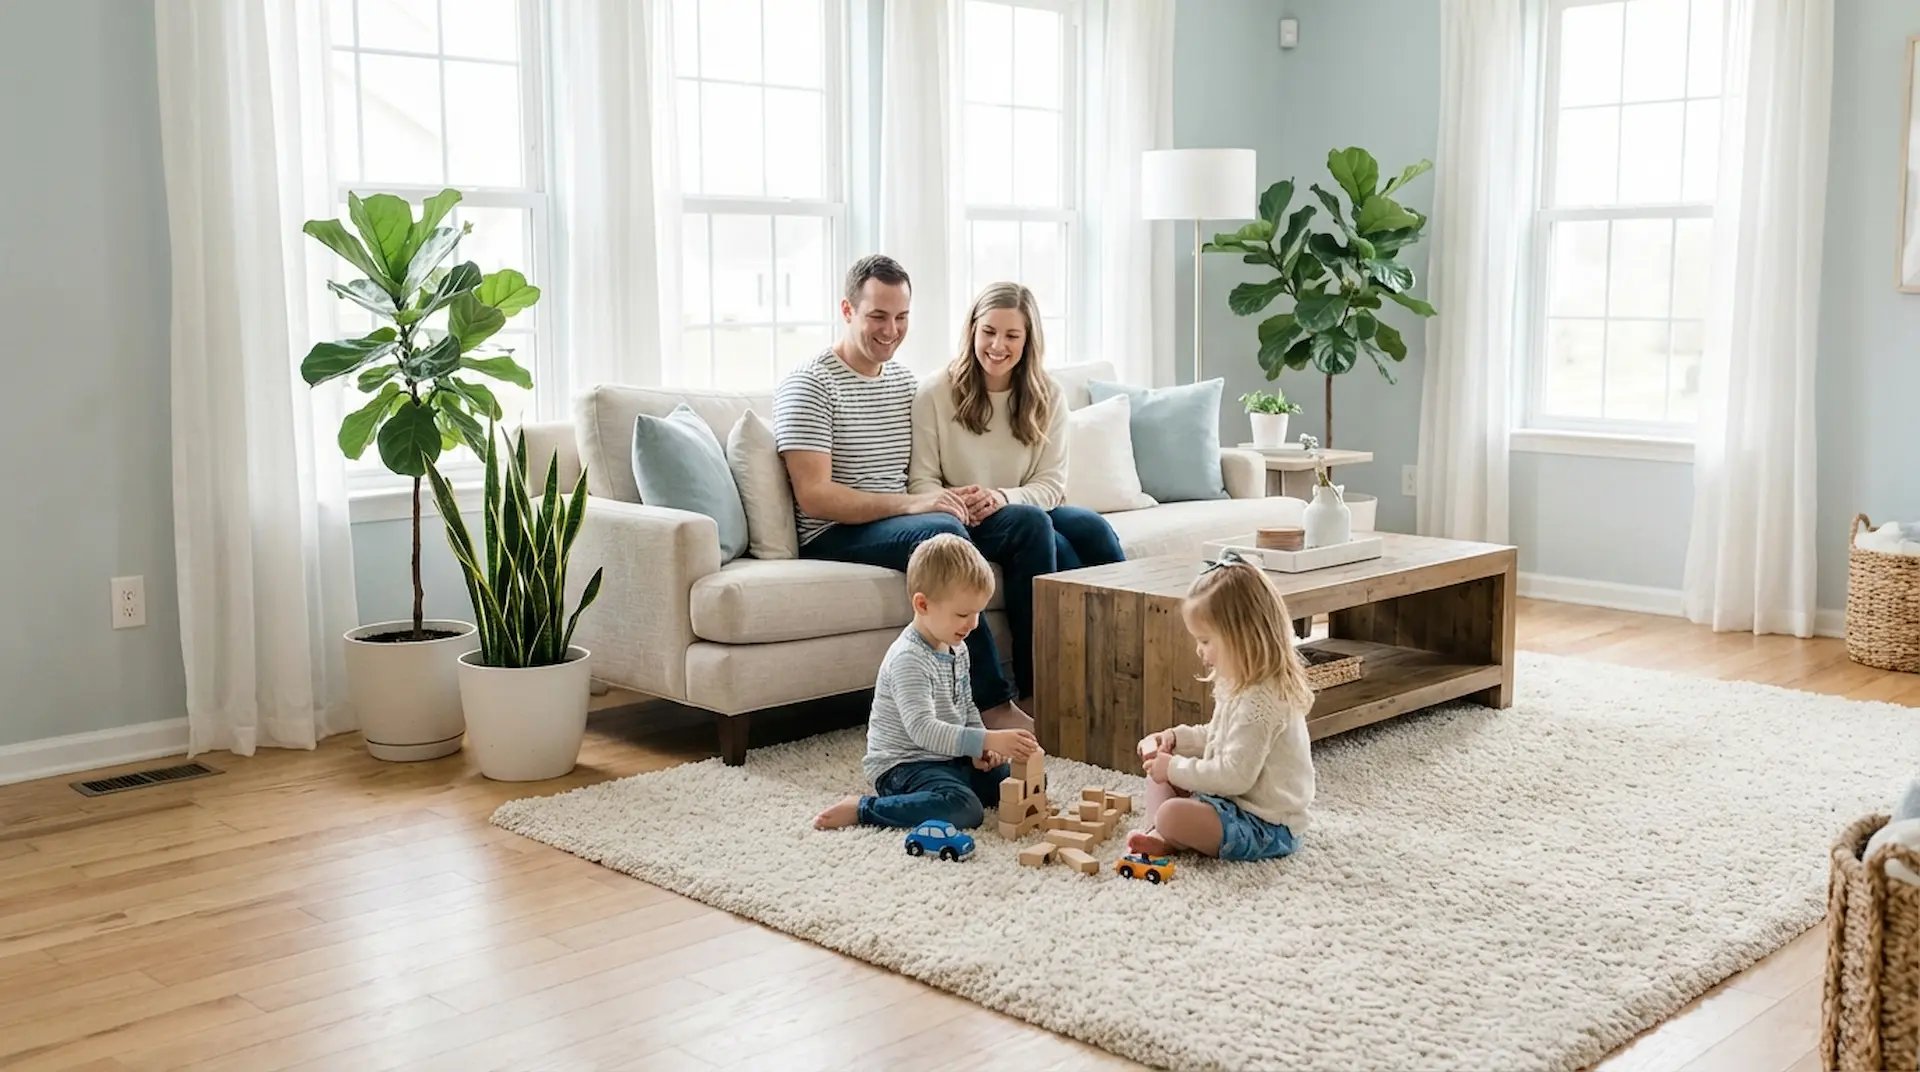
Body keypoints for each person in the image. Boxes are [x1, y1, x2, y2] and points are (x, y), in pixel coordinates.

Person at [774, 254, 1050, 732]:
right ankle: (990, 702)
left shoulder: (903, 383)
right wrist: (918, 504)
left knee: (1028, 525)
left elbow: (924, 471)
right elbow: (814, 497)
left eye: (901, 317)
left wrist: (961, 495)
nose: (891, 330)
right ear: (846, 311)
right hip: (836, 532)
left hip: (904, 521)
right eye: (877, 316)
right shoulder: (811, 385)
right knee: (941, 529)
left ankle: (1039, 689)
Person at [908, 282, 1126, 699]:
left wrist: (1003, 497)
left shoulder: (1048, 395)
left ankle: (1124, 661)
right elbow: (921, 481)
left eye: (1012, 335)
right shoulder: (935, 392)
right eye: (989, 331)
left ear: (1028, 341)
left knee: (1090, 529)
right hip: (960, 518)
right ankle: (1038, 686)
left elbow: (1051, 485)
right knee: (1036, 527)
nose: (997, 345)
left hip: (1017, 505)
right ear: (972, 330)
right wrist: (961, 504)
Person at [812, 534, 1041, 831]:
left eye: (978, 614)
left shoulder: (957, 646)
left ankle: (953, 784)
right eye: (962, 614)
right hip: (905, 766)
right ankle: (863, 809)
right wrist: (988, 739)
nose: (973, 624)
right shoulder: (908, 659)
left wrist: (978, 746)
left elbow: (966, 705)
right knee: (965, 810)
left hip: (948, 758)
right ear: (923, 604)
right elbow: (923, 731)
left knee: (1018, 783)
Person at [1126, 552, 1317, 861]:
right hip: (1229, 800)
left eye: (1205, 640)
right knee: (1158, 774)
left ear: (1242, 638)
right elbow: (1219, 738)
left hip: (1264, 824)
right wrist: (1177, 741)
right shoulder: (1239, 680)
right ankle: (1161, 834)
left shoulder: (1263, 700)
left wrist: (1174, 768)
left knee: (1172, 809)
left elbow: (1233, 775)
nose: (1198, 650)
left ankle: (1166, 830)